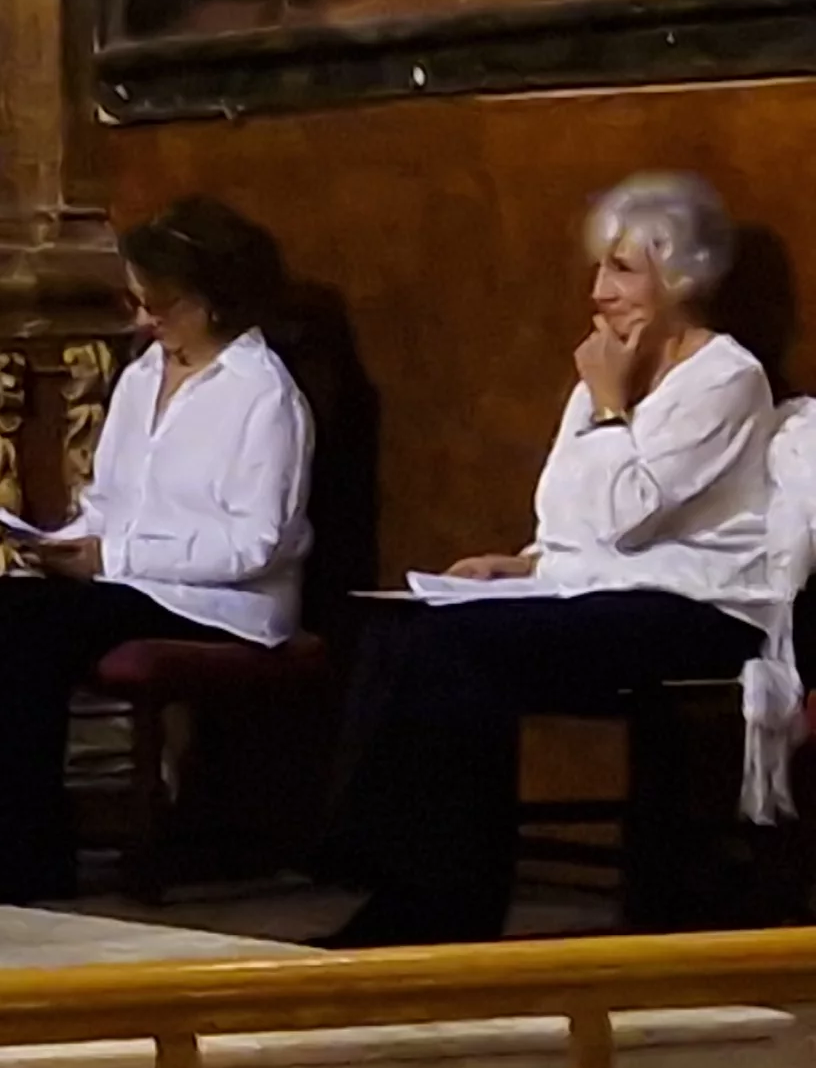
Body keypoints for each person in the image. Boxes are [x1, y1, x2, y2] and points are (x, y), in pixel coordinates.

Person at [323, 174, 784, 947]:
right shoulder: (612, 364)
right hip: (597, 592)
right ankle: (392, 880)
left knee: (461, 650)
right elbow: (571, 511)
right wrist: (527, 562)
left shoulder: (726, 377)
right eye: (600, 271)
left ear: (686, 275)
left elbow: (630, 519)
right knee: (398, 629)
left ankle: (445, 906)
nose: (600, 293)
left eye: (624, 271)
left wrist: (608, 406)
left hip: (698, 606)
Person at [0, 198, 313, 904]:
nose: (143, 320)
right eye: (138, 300)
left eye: (158, 304)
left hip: (220, 602)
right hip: (130, 580)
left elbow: (255, 543)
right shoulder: (144, 376)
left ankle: (28, 850)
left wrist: (113, 558)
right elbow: (109, 500)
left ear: (213, 301)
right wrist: (57, 544)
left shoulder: (264, 396)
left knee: (26, 630)